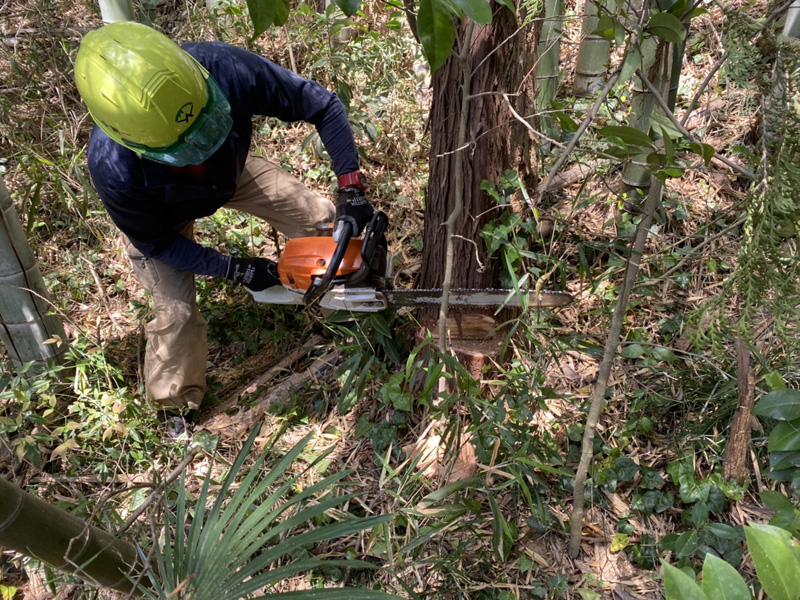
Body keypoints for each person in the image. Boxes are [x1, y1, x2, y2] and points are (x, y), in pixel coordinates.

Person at [73, 21, 374, 414]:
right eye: (183, 147)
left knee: (318, 217)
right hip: (163, 220)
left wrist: (350, 184)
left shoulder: (223, 66)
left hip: (230, 172)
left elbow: (321, 104)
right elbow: (157, 243)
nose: (197, 146)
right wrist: (235, 269)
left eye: (205, 125)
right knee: (175, 315)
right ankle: (175, 406)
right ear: (136, 143)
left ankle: (344, 313)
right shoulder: (114, 169)